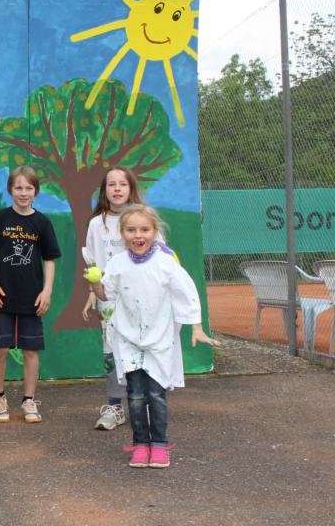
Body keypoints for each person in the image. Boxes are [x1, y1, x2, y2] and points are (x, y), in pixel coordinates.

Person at [89, 204, 219, 469]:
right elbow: (106, 294)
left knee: (156, 395)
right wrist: (95, 284)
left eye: (144, 229)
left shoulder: (166, 263)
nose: (138, 235)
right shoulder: (116, 263)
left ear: (155, 231)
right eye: (131, 230)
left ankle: (159, 445)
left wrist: (196, 326)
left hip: (159, 341)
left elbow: (186, 292)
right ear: (122, 233)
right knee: (135, 395)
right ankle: (140, 445)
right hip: (128, 340)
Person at [0, 166, 61, 423]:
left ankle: (29, 400)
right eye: (18, 188)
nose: (23, 193)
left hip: (32, 298)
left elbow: (50, 259)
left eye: (28, 188)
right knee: (0, 349)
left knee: (31, 351)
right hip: (2, 296)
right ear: (10, 190)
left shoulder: (42, 222)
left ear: (35, 191)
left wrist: (47, 291)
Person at [82, 166, 148, 432]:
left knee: (142, 349)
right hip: (108, 301)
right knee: (112, 351)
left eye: (123, 184)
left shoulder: (143, 219)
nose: (117, 188)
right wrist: (93, 292)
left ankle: (144, 403)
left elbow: (160, 255)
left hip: (142, 300)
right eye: (112, 184)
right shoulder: (96, 224)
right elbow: (93, 263)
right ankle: (114, 406)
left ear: (131, 189)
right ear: (104, 191)